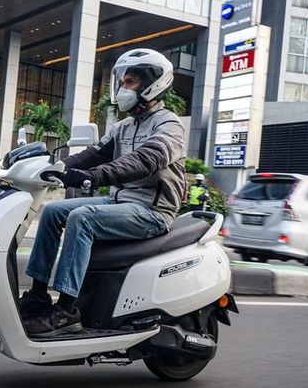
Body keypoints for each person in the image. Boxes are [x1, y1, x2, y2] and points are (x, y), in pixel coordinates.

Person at [19, 48, 187, 337]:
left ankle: (66, 311)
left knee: (82, 218)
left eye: (130, 82)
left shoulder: (169, 125)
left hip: (151, 211)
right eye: (122, 82)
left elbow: (145, 159)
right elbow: (93, 154)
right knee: (52, 211)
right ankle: (38, 296)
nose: (123, 89)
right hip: (119, 201)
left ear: (152, 83)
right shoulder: (124, 126)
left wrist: (92, 177)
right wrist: (52, 168)